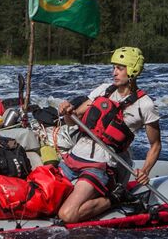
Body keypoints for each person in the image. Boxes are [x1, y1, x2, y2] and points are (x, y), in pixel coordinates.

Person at [55, 46, 162, 224]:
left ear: (133, 70)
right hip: (74, 158)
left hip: (101, 166)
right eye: (114, 67)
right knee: (45, 195)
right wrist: (67, 111)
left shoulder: (145, 105)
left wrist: (145, 171)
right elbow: (73, 120)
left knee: (67, 214)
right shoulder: (104, 90)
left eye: (120, 68)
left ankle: (117, 197)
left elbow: (156, 145)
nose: (114, 72)